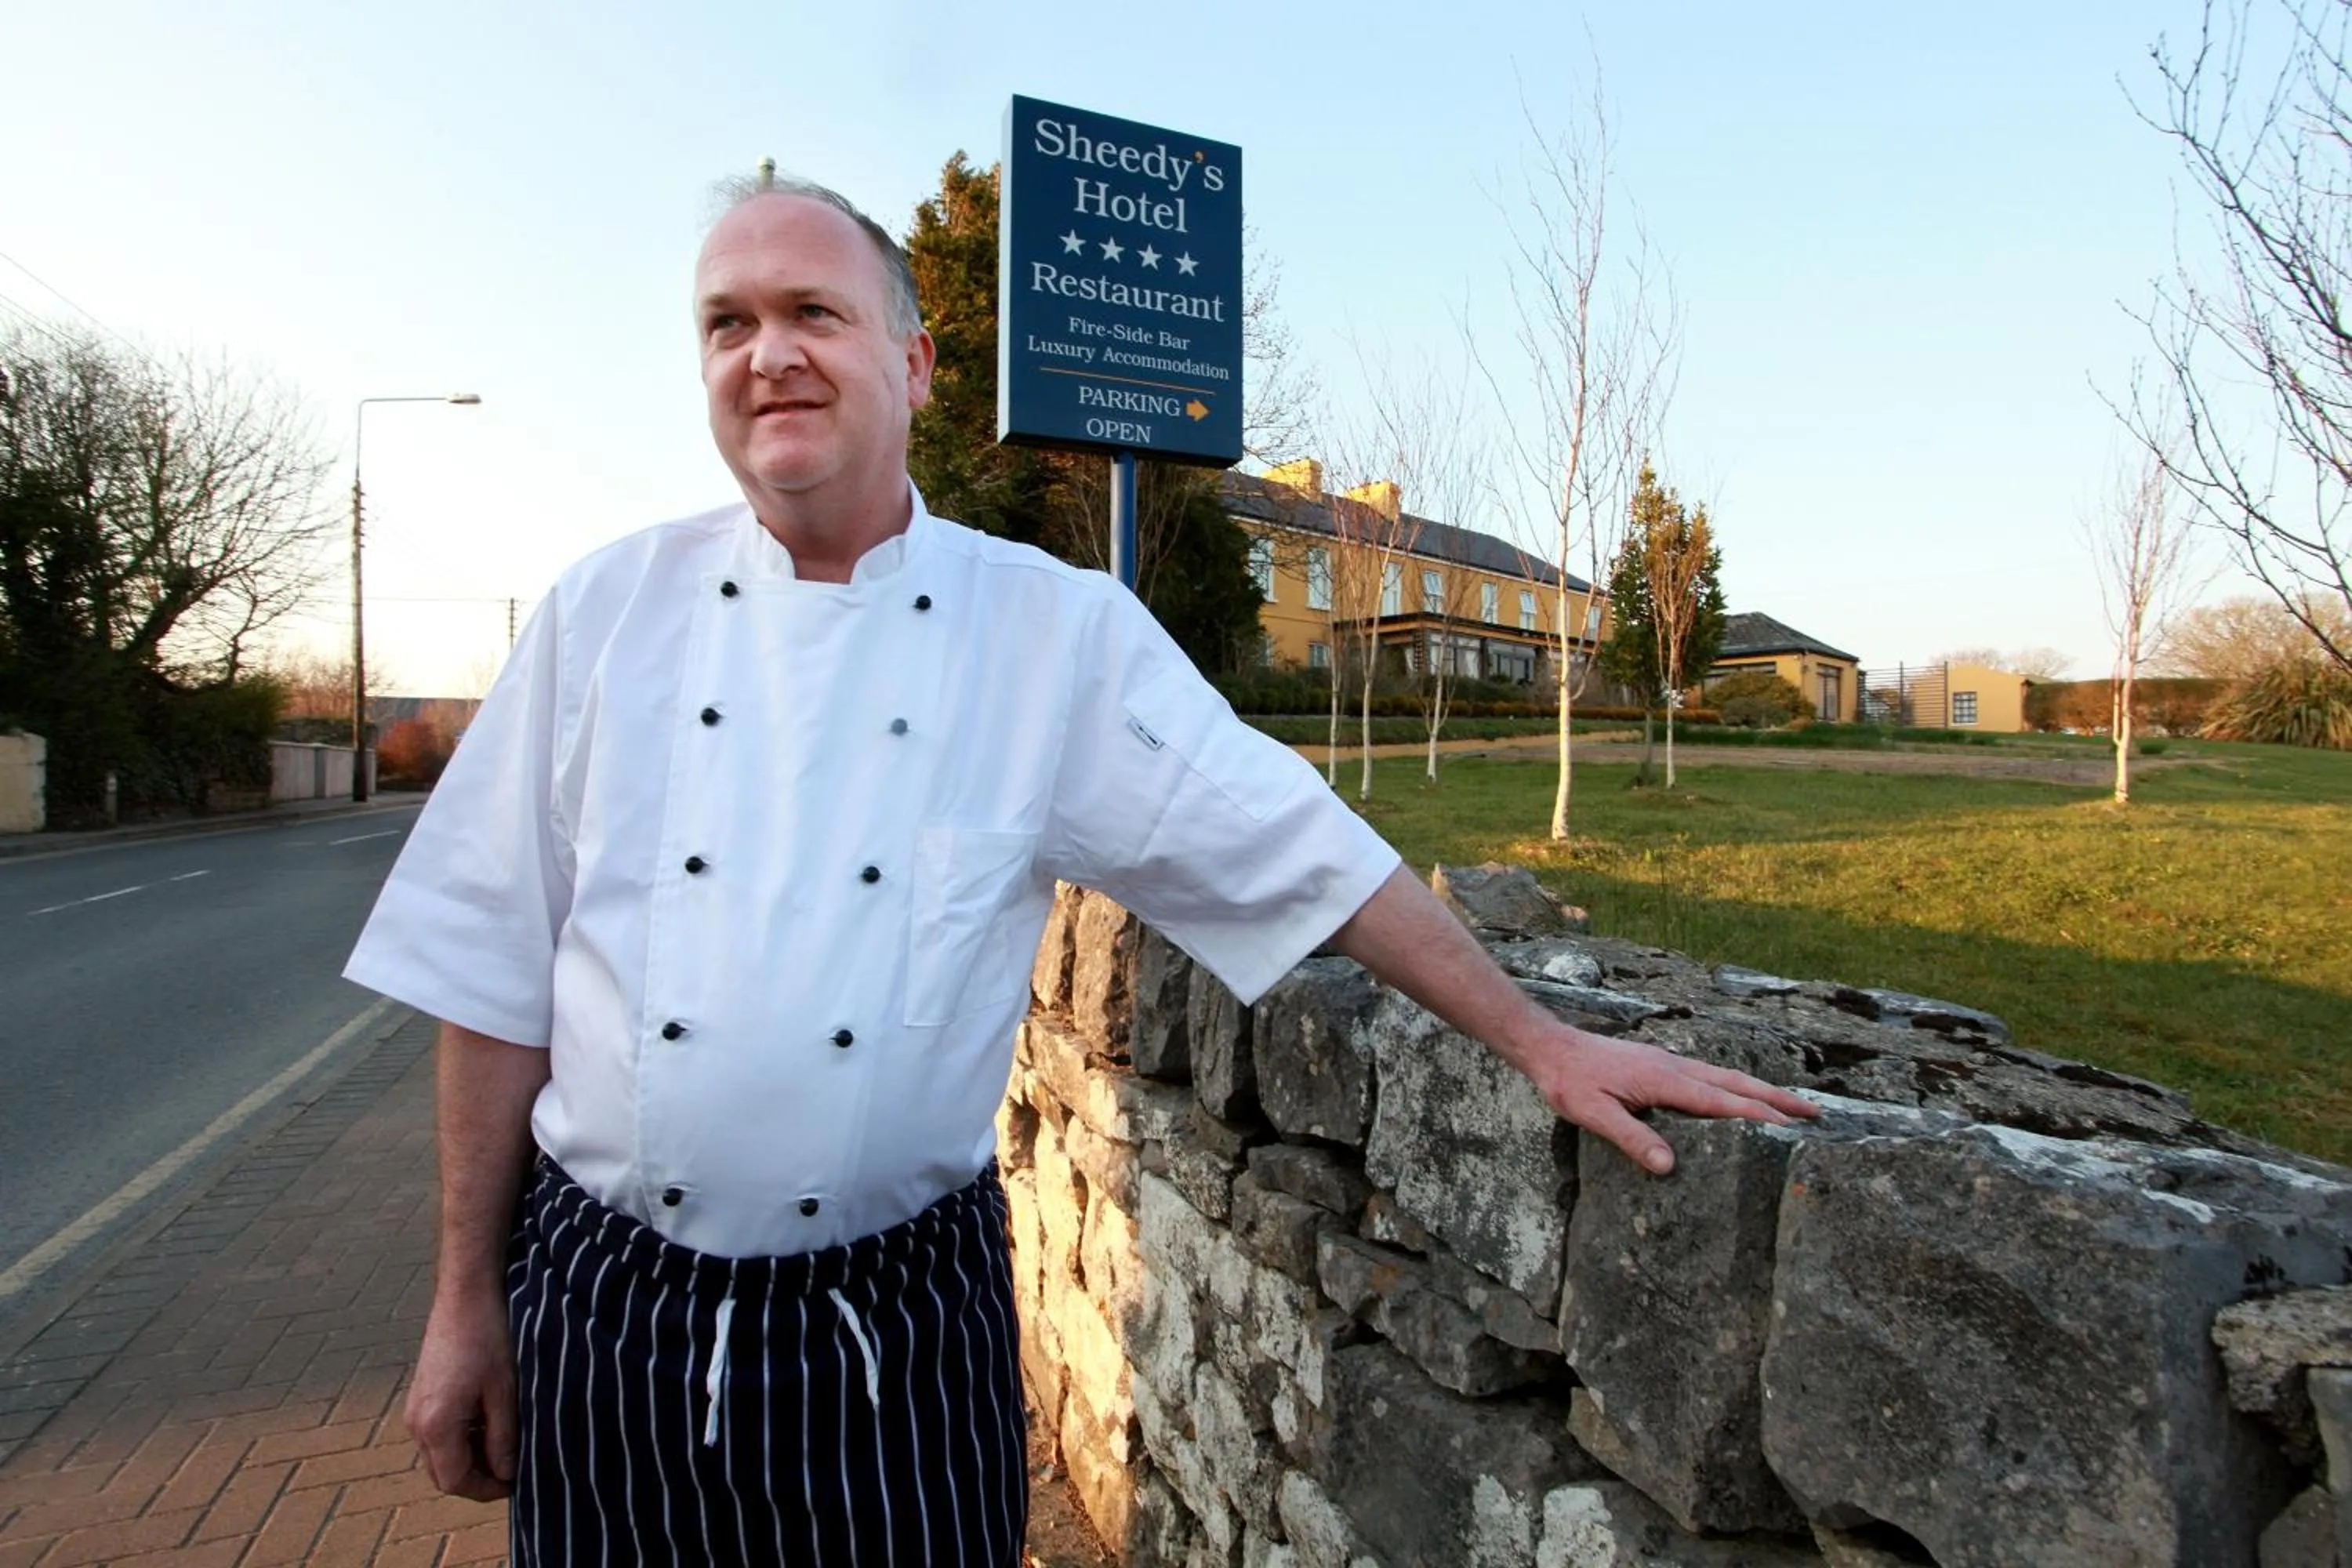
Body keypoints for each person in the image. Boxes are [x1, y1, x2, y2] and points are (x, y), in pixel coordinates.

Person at [345, 172, 1815, 1566]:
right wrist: (461, 1302)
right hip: (611, 1311)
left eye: (814, 313)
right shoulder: (605, 613)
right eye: (728, 324)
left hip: (899, 1325)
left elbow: (1300, 850)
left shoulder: (1053, 633)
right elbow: (491, 973)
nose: (767, 354)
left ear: (917, 366)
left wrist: (1540, 1039)